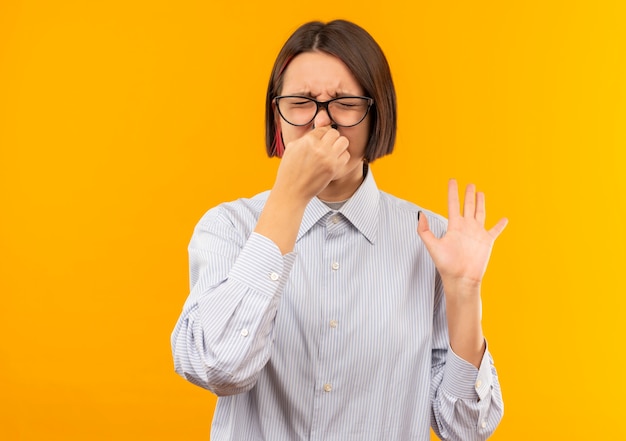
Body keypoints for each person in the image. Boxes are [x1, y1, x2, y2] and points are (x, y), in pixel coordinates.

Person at [171, 19, 507, 441]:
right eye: (300, 102)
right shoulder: (228, 228)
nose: (321, 124)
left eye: (344, 102)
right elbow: (217, 368)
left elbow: (464, 429)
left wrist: (464, 293)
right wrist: (289, 197)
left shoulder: (432, 240)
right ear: (277, 116)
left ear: (376, 113)